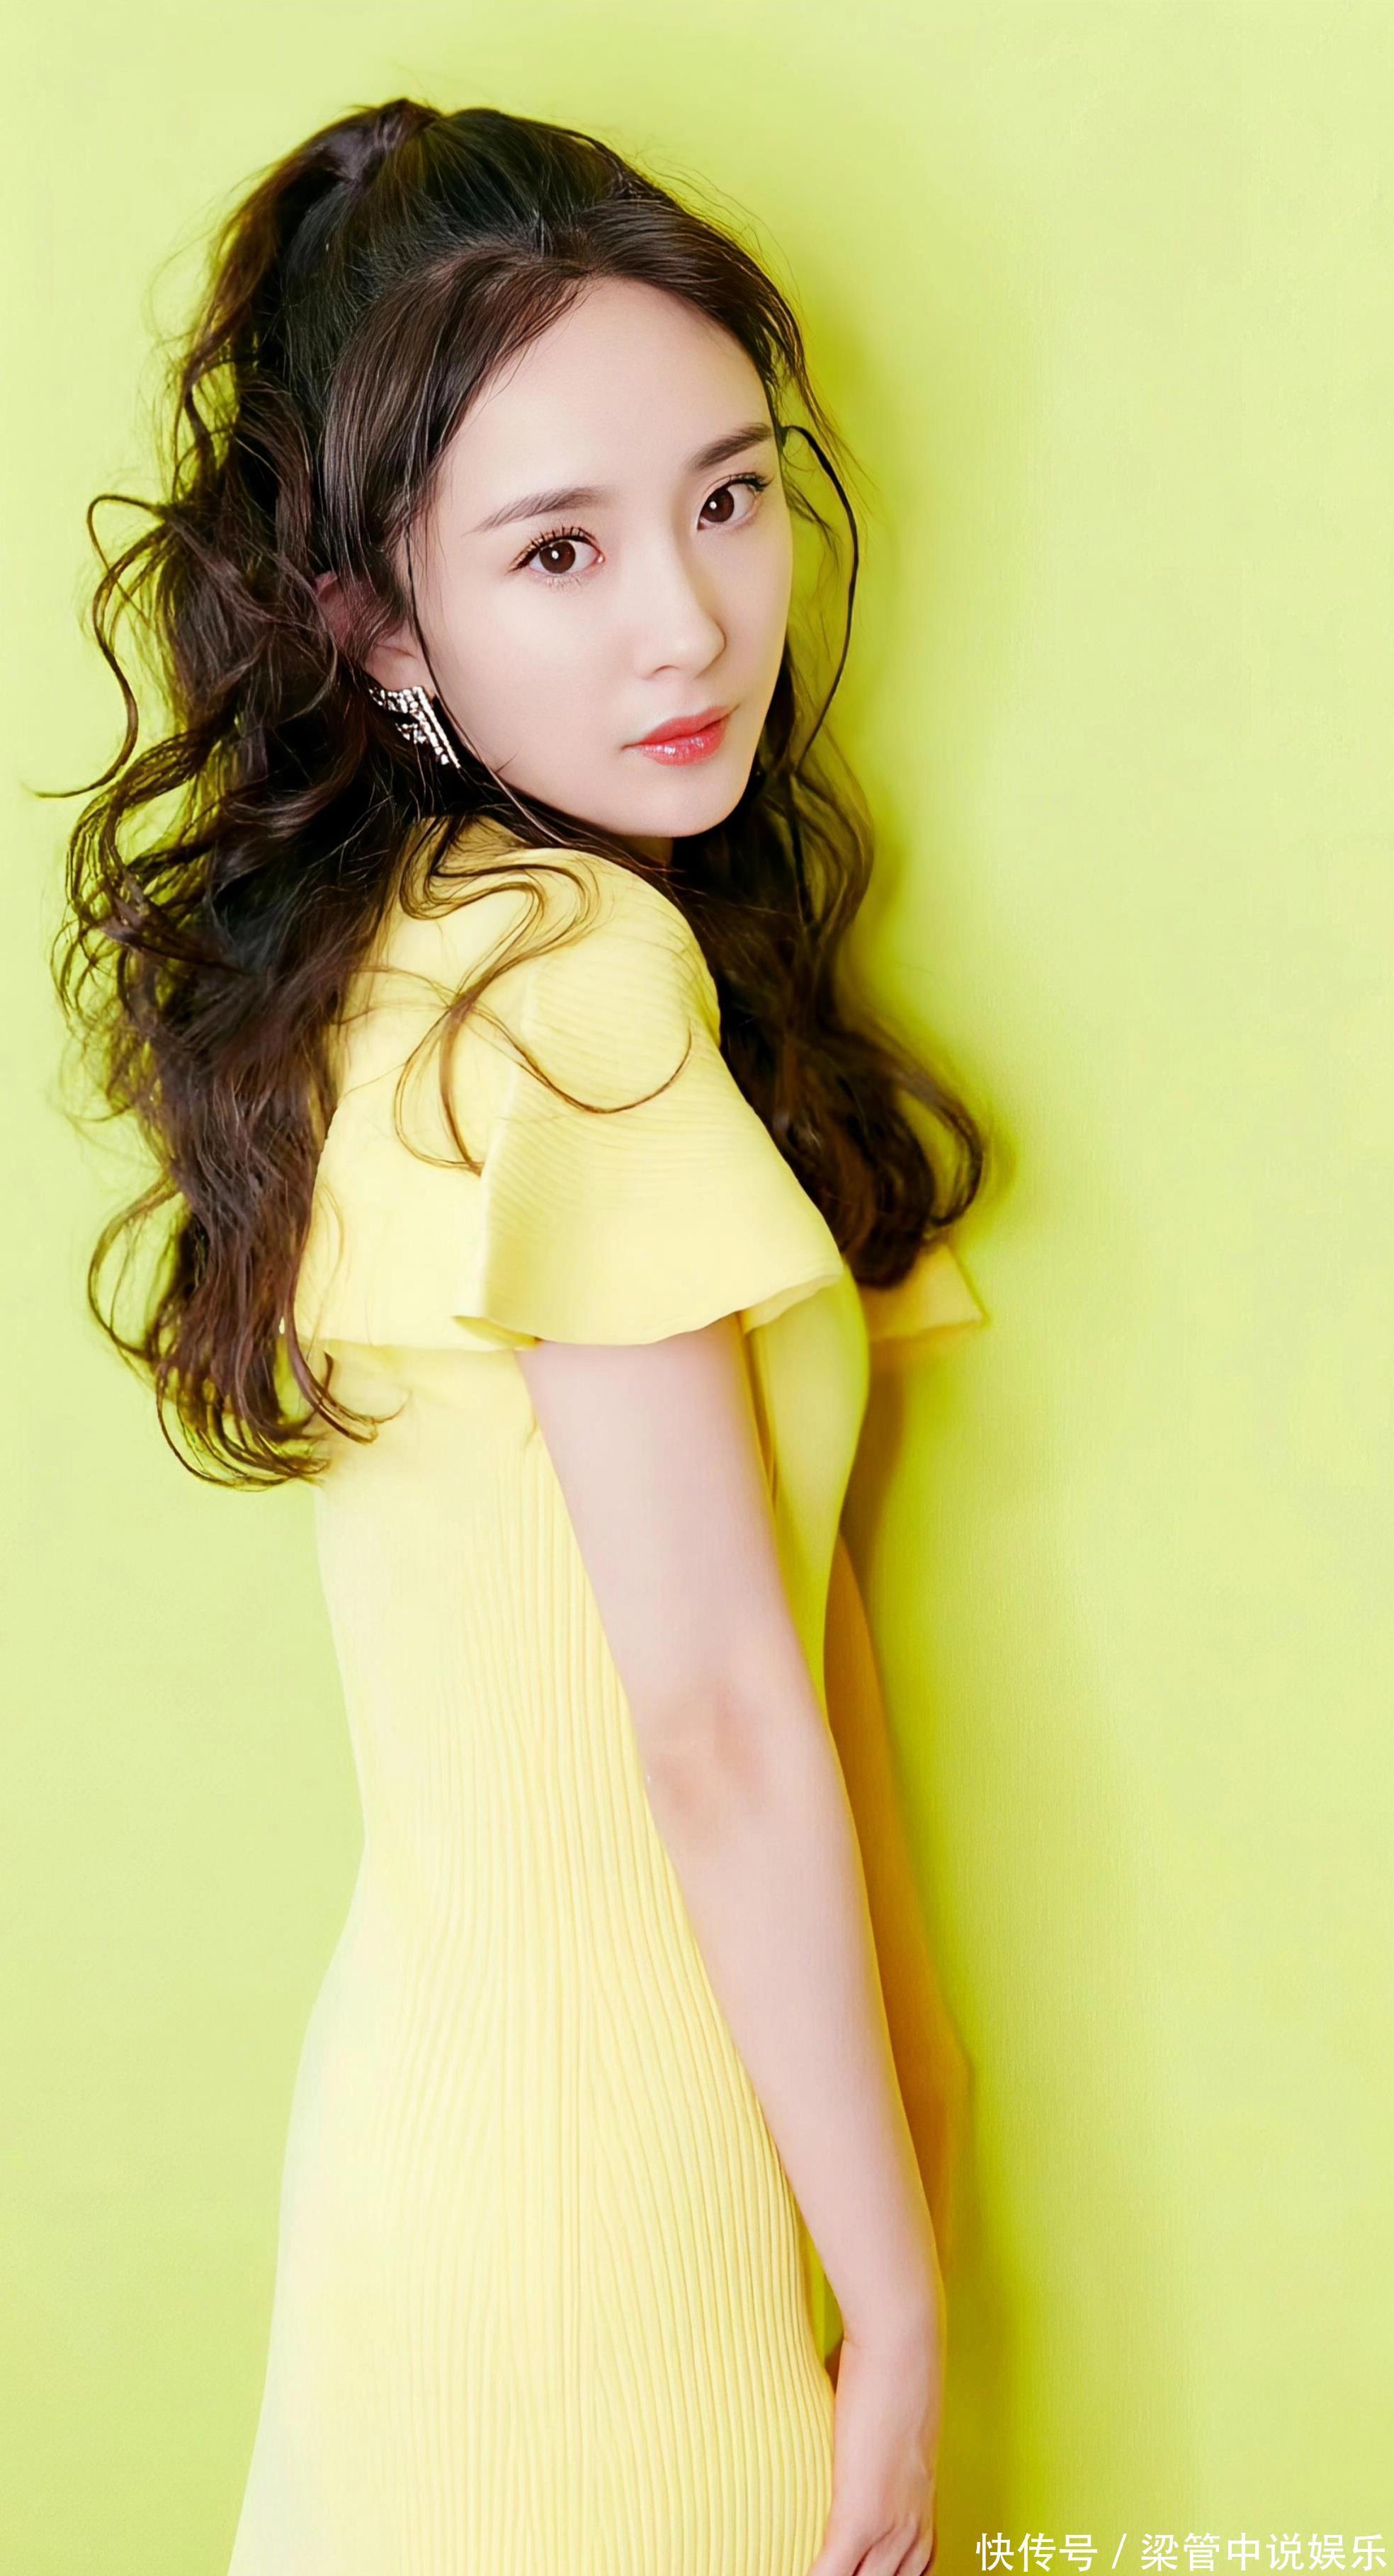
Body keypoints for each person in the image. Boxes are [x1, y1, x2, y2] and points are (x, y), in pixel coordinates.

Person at [57, 95, 990, 2576]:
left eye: (728, 496)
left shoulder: (409, 959)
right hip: (613, 2252)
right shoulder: (564, 979)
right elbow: (714, 1722)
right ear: (379, 622)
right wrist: (904, 2304)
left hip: (440, 2174)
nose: (687, 621)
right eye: (557, 549)